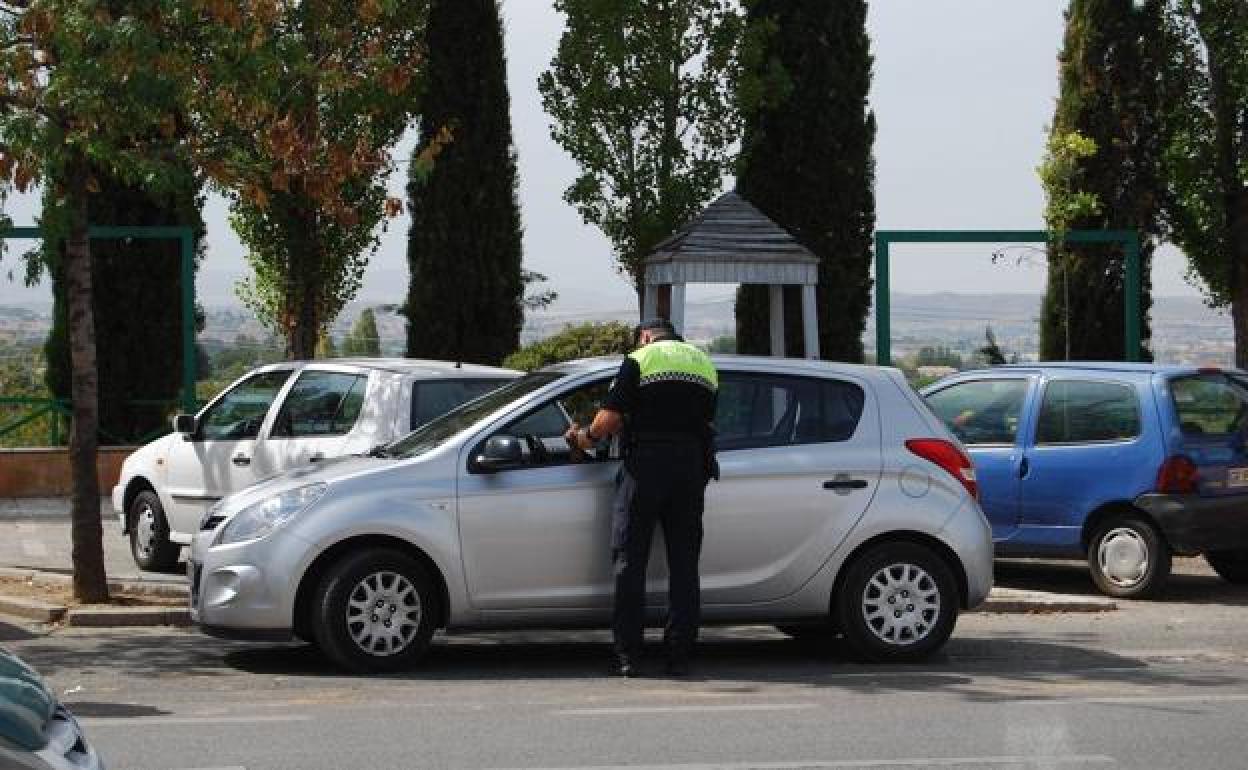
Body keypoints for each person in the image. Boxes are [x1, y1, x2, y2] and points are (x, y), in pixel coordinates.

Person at [564, 318, 718, 677]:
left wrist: (582, 437)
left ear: (646, 336)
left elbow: (608, 421)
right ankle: (679, 655)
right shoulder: (704, 363)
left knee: (630, 561)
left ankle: (629, 655)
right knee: (684, 565)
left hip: (646, 467)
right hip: (691, 468)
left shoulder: (641, 358)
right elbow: (707, 421)